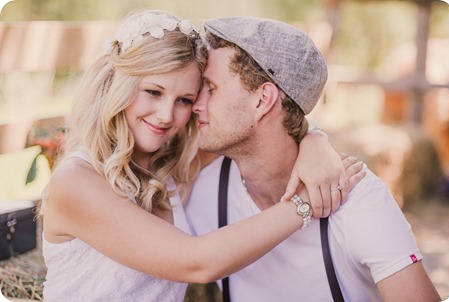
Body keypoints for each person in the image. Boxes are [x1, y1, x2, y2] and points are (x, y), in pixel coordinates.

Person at [40, 10, 363, 302]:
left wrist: (315, 139)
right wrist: (304, 204)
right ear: (116, 85)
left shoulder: (174, 165)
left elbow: (267, 132)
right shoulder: (77, 180)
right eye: (153, 92)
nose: (166, 115)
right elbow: (197, 263)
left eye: (184, 99)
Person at [185, 16, 441, 301]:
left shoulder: (358, 200)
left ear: (262, 100)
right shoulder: (202, 192)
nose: (196, 104)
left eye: (212, 88)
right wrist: (316, 136)